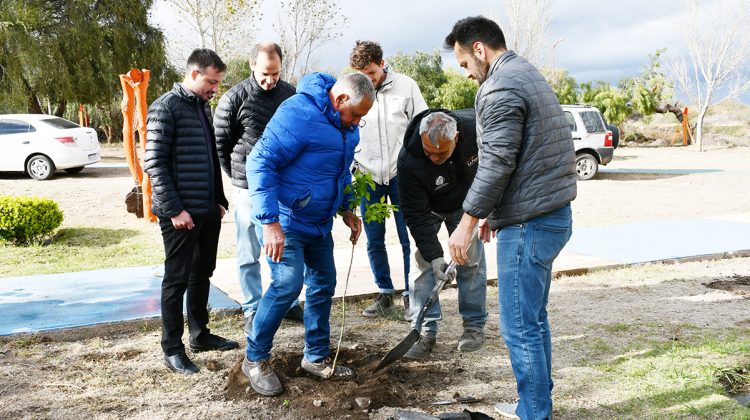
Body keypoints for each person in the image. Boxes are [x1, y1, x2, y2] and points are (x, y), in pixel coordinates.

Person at [444, 17, 577, 420]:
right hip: (548, 214)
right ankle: (534, 405)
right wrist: (491, 213)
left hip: (530, 225)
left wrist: (466, 223)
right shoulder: (525, 71)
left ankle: (535, 413)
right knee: (532, 320)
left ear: (479, 49)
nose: (466, 74)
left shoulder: (499, 86)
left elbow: (498, 162)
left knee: (519, 326)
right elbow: (521, 156)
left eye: (465, 64)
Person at [242, 72, 375, 396]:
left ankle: (315, 358)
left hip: (319, 224)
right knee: (287, 283)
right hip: (286, 220)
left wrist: (347, 209)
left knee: (323, 284)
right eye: (355, 114)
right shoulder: (298, 113)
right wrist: (270, 222)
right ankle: (254, 358)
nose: (357, 123)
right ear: (340, 99)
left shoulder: (347, 129)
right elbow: (260, 162)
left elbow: (341, 171)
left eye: (361, 118)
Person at [144, 48, 240, 375]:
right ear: (194, 74)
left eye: (218, 83)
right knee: (177, 279)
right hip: (180, 216)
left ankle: (200, 334)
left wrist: (219, 199)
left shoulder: (202, 108)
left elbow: (211, 158)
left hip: (206, 211)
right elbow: (154, 164)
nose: (215, 88)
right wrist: (174, 210)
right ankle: (172, 348)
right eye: (212, 82)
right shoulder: (165, 108)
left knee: (203, 273)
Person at [213, 42, 302, 337]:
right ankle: (252, 307)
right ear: (253, 66)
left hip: (283, 186)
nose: (270, 79)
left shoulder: (291, 95)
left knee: (282, 248)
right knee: (249, 251)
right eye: (265, 73)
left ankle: (285, 302)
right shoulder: (234, 98)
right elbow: (222, 147)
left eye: (275, 73)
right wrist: (239, 178)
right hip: (248, 188)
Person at [397, 109, 487, 359]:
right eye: (429, 152)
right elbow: (414, 215)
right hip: (429, 209)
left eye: (441, 153)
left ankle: (474, 326)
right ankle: (424, 331)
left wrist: (484, 211)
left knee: (470, 260)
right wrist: (435, 255)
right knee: (424, 266)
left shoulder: (474, 133)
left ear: (456, 138)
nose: (434, 158)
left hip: (466, 206)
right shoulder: (409, 160)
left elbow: (493, 171)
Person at [349, 40, 428, 317]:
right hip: (368, 177)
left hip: (401, 176)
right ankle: (384, 292)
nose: (366, 79)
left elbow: (423, 125)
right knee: (374, 238)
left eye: (370, 72)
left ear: (382, 64)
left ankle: (410, 293)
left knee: (409, 236)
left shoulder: (406, 86)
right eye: (361, 74)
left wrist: (416, 167)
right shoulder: (351, 88)